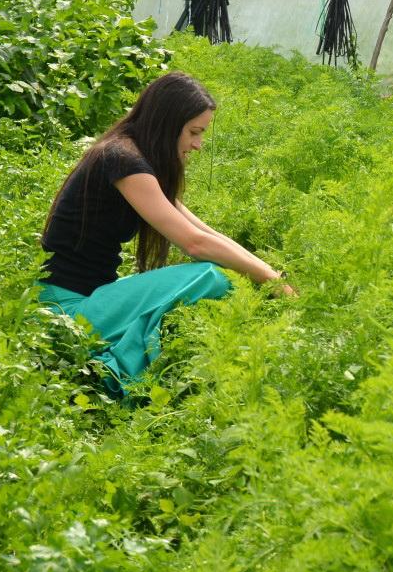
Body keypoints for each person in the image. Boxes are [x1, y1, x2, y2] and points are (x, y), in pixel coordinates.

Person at [38, 71, 294, 396]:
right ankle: (119, 371)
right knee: (213, 276)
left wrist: (273, 278)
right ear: (168, 124)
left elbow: (205, 231)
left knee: (227, 272)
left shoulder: (135, 159)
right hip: (65, 310)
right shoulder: (123, 161)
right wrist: (274, 285)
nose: (198, 145)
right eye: (194, 132)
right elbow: (194, 243)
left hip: (91, 300)